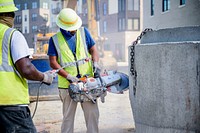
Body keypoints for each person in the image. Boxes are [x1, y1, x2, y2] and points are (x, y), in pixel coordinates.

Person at [0, 0, 55, 132]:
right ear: (9, 15)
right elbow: (26, 68)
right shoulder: (12, 35)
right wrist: (44, 77)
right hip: (11, 104)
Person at [47, 8, 101, 133]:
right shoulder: (54, 40)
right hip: (67, 86)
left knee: (92, 116)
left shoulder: (83, 32)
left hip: (87, 83)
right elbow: (53, 62)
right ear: (64, 26)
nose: (75, 29)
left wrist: (96, 64)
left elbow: (93, 50)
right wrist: (69, 77)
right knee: (68, 118)